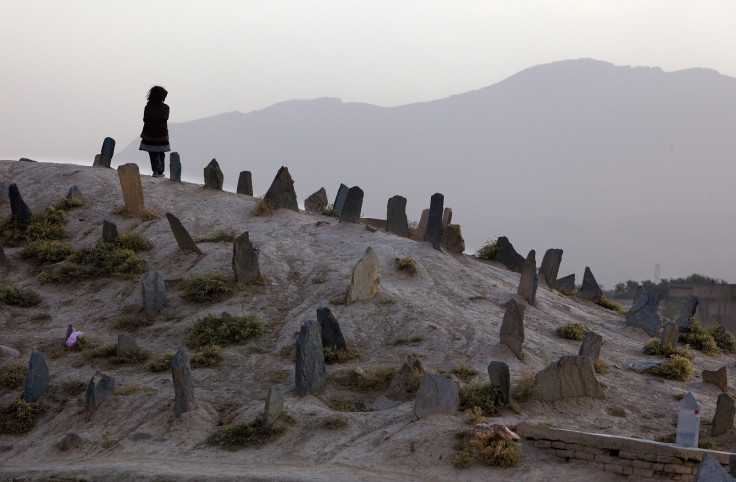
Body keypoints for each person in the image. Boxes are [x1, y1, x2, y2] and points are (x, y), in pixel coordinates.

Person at [139, 85, 170, 177]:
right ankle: (160, 171)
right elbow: (165, 118)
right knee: (161, 153)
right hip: (161, 134)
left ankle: (156, 171)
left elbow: (145, 119)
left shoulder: (148, 107)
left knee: (153, 153)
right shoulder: (165, 107)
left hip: (150, 133)